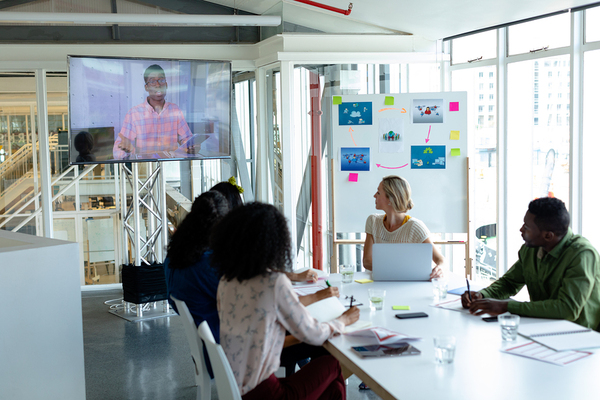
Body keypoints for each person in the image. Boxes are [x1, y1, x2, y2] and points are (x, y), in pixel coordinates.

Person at [212, 202, 360, 399]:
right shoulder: (273, 283)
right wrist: (343, 320)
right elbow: (314, 334)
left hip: (243, 387)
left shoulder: (226, 281)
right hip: (269, 394)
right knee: (331, 363)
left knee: (331, 385)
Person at [461, 197, 600, 331]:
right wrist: (482, 295)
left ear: (548, 236)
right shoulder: (530, 249)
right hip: (541, 328)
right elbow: (509, 283)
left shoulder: (582, 255)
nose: (521, 230)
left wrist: (507, 307)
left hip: (579, 336)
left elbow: (567, 309)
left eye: (527, 227)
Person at [362, 175, 444, 279]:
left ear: (390, 199)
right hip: (378, 282)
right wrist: (400, 269)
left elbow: (441, 260)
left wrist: (439, 269)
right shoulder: (373, 221)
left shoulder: (415, 227)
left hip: (406, 284)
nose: (374, 195)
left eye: (378, 192)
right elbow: (367, 261)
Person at [112, 64, 193, 159]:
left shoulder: (175, 110)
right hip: (144, 169)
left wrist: (191, 147)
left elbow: (187, 139)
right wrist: (128, 152)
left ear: (166, 85)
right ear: (146, 87)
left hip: (171, 167)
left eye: (161, 80)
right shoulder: (134, 114)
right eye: (152, 81)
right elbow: (118, 151)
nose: (158, 85)